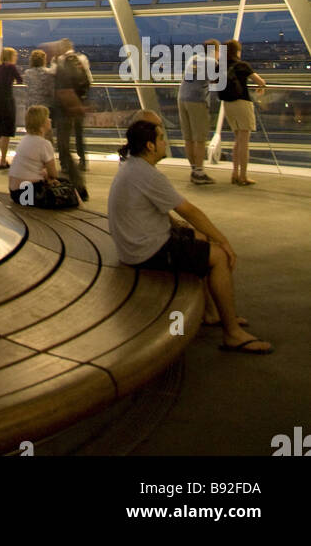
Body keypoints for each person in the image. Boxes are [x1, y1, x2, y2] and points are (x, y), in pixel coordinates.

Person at [108, 118, 272, 353]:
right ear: (150, 146)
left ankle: (211, 312)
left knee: (201, 239)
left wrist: (187, 230)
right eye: (162, 138)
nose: (166, 142)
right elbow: (190, 211)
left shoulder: (133, 166)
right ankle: (232, 334)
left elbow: (152, 209)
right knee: (218, 257)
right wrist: (224, 242)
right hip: (146, 251)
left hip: (135, 244)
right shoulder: (147, 174)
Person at [7, 105, 79, 208]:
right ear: (42, 124)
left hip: (15, 193)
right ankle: (81, 209)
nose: (50, 120)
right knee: (68, 185)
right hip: (29, 194)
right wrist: (49, 177)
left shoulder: (23, 140)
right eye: (47, 118)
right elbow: (53, 174)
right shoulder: (44, 144)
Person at [222, 39, 266, 186]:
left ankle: (234, 173)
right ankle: (243, 176)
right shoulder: (243, 65)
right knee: (244, 142)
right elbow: (260, 81)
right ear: (237, 51)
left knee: (237, 141)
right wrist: (261, 87)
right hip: (242, 103)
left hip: (228, 104)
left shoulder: (220, 66)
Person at [52, 47, 90, 201]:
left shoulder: (61, 66)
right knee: (77, 137)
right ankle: (82, 162)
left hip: (65, 111)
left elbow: (63, 92)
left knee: (64, 145)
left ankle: (77, 184)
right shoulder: (80, 61)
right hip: (76, 107)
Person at [178, 39, 218, 184]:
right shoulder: (212, 62)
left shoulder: (193, 58)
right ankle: (199, 173)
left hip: (182, 98)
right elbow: (219, 81)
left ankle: (194, 169)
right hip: (196, 100)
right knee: (200, 138)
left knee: (188, 137)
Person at [0, 47, 24, 170]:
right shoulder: (11, 67)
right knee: (6, 133)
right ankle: (3, 160)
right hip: (6, 102)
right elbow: (20, 80)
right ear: (11, 56)